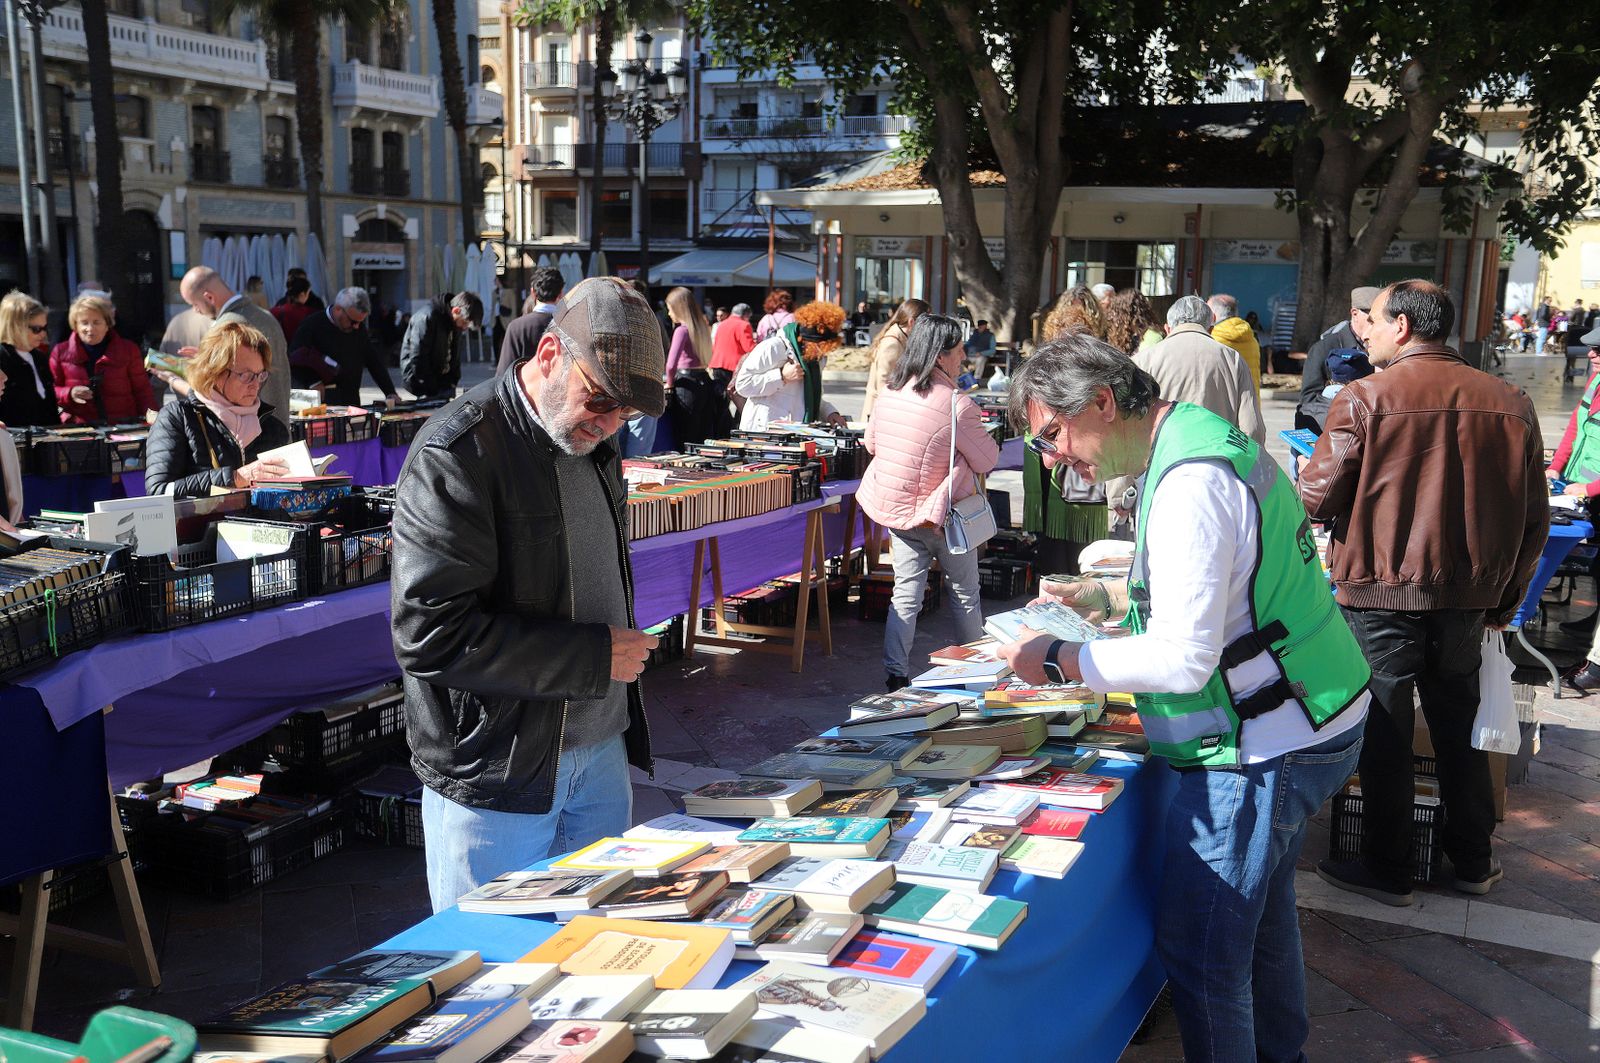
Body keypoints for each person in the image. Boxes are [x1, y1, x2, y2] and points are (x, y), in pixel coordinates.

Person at [994, 333, 1370, 1061]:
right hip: (1307, 709)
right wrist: (1108, 594)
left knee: (1203, 952)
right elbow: (1216, 587)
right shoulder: (1190, 438)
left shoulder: (1190, 481)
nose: (1049, 456)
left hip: (1265, 737)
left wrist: (1057, 659)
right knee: (1259, 921)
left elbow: (1182, 655)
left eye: (1051, 433)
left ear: (1103, 401)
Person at [390, 277, 666, 911]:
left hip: (599, 751)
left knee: (594, 960)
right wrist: (593, 659)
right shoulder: (456, 451)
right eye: (600, 400)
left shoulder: (594, 438)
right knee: (491, 982)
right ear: (548, 357)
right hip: (497, 769)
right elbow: (428, 635)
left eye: (625, 412)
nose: (609, 423)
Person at [1300, 279, 1546, 905]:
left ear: (1403, 327)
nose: (1367, 332)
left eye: (1375, 322)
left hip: (1381, 593)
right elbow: (1534, 518)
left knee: (1386, 733)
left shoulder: (1365, 397)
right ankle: (1472, 861)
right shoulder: (1510, 402)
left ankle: (1389, 868)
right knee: (1456, 727)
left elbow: (1314, 496)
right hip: (1467, 596)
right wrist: (1504, 599)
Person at [858, 314, 999, 689]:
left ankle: (895, 674)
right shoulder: (957, 405)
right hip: (944, 517)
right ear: (940, 356)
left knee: (905, 596)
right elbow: (987, 459)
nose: (963, 357)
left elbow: (872, 444)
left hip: (899, 513)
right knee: (965, 594)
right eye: (958, 350)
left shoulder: (890, 391)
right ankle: (978, 673)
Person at [142, 321, 291, 498]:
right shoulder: (177, 418)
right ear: (215, 373)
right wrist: (235, 478)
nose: (255, 384)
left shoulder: (271, 427)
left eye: (260, 375)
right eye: (245, 375)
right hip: (205, 525)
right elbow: (158, 491)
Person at [175, 266, 291, 432]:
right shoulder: (265, 316)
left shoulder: (227, 328)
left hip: (250, 436)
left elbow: (214, 394)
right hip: (277, 428)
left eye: (195, 304)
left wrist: (176, 376)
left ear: (209, 297)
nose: (196, 311)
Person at [1136, 295, 1264, 443]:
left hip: (1164, 457)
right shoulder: (1233, 360)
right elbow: (1252, 427)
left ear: (1167, 329)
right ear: (1211, 329)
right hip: (1218, 457)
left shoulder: (1144, 360)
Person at [734, 300, 847, 430]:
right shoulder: (773, 347)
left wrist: (829, 412)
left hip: (797, 431)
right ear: (805, 340)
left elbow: (810, 397)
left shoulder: (816, 359)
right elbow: (742, 385)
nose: (822, 352)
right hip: (765, 431)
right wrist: (781, 376)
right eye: (819, 347)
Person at [51, 293, 156, 425]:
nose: (90, 329)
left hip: (123, 427)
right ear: (75, 325)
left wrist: (153, 424)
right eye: (84, 323)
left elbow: (142, 391)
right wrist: (69, 393)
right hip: (79, 429)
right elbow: (51, 391)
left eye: (96, 322)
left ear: (107, 324)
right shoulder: (61, 352)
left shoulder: (128, 350)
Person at [290, 287, 400, 408]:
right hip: (320, 404)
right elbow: (294, 360)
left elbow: (373, 361)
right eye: (353, 321)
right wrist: (312, 381)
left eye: (360, 322)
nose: (357, 327)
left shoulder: (359, 330)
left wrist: (390, 392)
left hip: (351, 402)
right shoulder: (312, 325)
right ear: (338, 309)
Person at [1297, 286, 1377, 433]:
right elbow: (1309, 399)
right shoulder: (1324, 348)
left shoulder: (1382, 346)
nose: (1377, 323)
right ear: (1355, 313)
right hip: (1331, 433)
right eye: (1372, 318)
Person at [401, 291, 483, 402]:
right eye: (464, 323)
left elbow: (455, 355)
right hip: (422, 381)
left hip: (441, 382)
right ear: (456, 311)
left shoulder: (455, 322)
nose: (464, 328)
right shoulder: (427, 317)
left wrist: (452, 382)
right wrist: (432, 387)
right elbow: (418, 357)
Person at [860, 298, 928, 421]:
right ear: (912, 322)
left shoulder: (901, 337)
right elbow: (883, 383)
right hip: (881, 415)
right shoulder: (893, 343)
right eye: (925, 324)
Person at [0, 291, 61, 426]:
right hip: (14, 442)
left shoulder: (39, 358)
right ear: (15, 327)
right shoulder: (2, 359)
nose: (43, 334)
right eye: (36, 329)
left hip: (46, 440)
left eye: (45, 328)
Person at [498, 266, 564, 376]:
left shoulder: (516, 327)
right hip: (561, 390)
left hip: (525, 390)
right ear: (561, 294)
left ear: (533, 292)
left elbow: (504, 374)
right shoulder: (569, 325)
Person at [1207, 292, 1262, 392]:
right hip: (1251, 404)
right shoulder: (1251, 339)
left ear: (1213, 315)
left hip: (1220, 406)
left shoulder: (1211, 339)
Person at [663, 286, 712, 381]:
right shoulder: (702, 329)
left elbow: (671, 365)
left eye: (670, 309)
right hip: (704, 377)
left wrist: (669, 382)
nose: (669, 313)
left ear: (678, 308)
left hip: (685, 379)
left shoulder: (681, 331)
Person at [709, 302, 755, 401]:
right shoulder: (744, 325)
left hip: (717, 364)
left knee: (720, 399)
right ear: (746, 315)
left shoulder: (721, 324)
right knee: (739, 398)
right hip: (733, 367)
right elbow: (749, 348)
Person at [1103, 289, 1163, 356]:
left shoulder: (1152, 336)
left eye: (1116, 313)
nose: (1113, 317)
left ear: (1125, 314)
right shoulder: (1126, 335)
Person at [1041, 285, 1105, 340]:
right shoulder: (1056, 323)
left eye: (1082, 308)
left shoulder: (1097, 324)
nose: (1076, 311)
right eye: (1072, 306)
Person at [270, 275, 316, 345]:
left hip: (284, 350)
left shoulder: (277, 310)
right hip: (303, 352)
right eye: (308, 293)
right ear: (302, 294)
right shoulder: (311, 313)